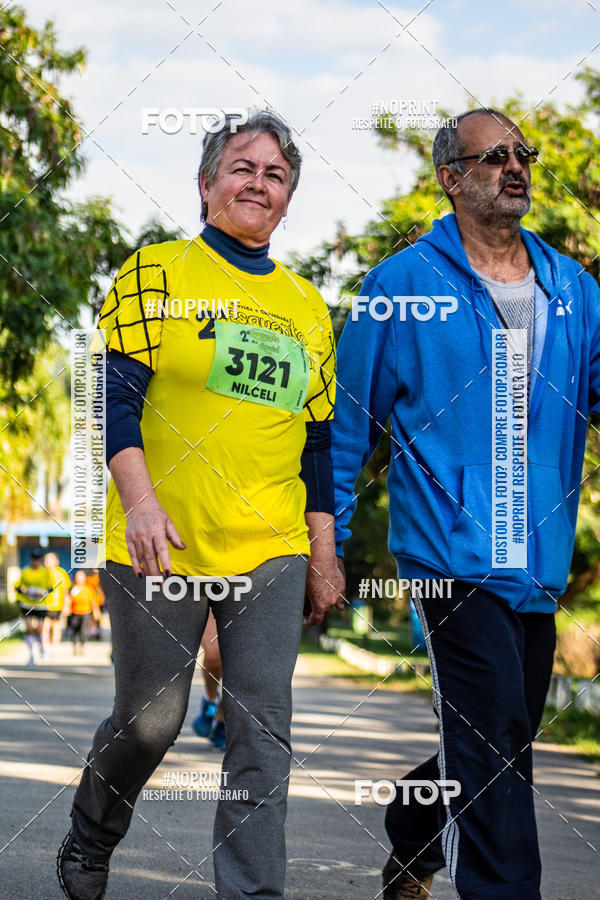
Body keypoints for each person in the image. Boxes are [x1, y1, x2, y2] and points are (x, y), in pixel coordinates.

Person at [57, 108, 344, 900]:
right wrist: (140, 504)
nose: (259, 182)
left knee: (263, 728)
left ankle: (251, 893)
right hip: (162, 537)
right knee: (150, 721)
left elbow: (316, 443)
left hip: (272, 541)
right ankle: (93, 830)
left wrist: (324, 550)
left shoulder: (308, 307)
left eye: (276, 174)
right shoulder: (156, 272)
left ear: (288, 201)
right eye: (243, 167)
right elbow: (112, 398)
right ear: (207, 183)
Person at [331, 108, 598, 899]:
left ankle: (414, 827)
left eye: (523, 155)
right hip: (450, 555)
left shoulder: (574, 287)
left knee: (506, 737)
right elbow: (348, 431)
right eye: (493, 158)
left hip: (538, 555)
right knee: (489, 745)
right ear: (451, 178)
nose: (515, 168)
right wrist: (326, 548)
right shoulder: (398, 288)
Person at [192, 610, 226, 750]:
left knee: (242, 659)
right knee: (214, 653)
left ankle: (222, 718)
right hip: (207, 590)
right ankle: (211, 701)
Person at [14, 548, 52, 665]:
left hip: (41, 605)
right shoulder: (25, 571)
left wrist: (42, 593)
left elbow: (51, 588)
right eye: (34, 559)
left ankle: (42, 648)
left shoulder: (45, 572)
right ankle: (31, 655)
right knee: (29, 628)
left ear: (40, 560)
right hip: (27, 604)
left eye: (38, 559)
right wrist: (24, 591)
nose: (35, 561)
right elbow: (17, 587)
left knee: (40, 629)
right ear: (31, 559)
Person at [63, 571, 101, 655]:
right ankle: (75, 646)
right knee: (75, 630)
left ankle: (82, 645)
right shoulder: (73, 588)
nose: (79, 580)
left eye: (81, 578)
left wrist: (96, 611)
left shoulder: (88, 589)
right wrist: (66, 609)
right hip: (75, 613)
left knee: (83, 630)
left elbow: (93, 601)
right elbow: (69, 600)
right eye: (78, 578)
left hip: (86, 612)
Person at [44, 552, 72, 656]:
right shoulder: (43, 572)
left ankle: (54, 647)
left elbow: (65, 590)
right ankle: (45, 648)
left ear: (56, 561)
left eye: (50, 559)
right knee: (45, 626)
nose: (47, 562)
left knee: (55, 625)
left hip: (56, 604)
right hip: (44, 604)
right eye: (46, 559)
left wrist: (66, 605)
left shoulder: (61, 572)